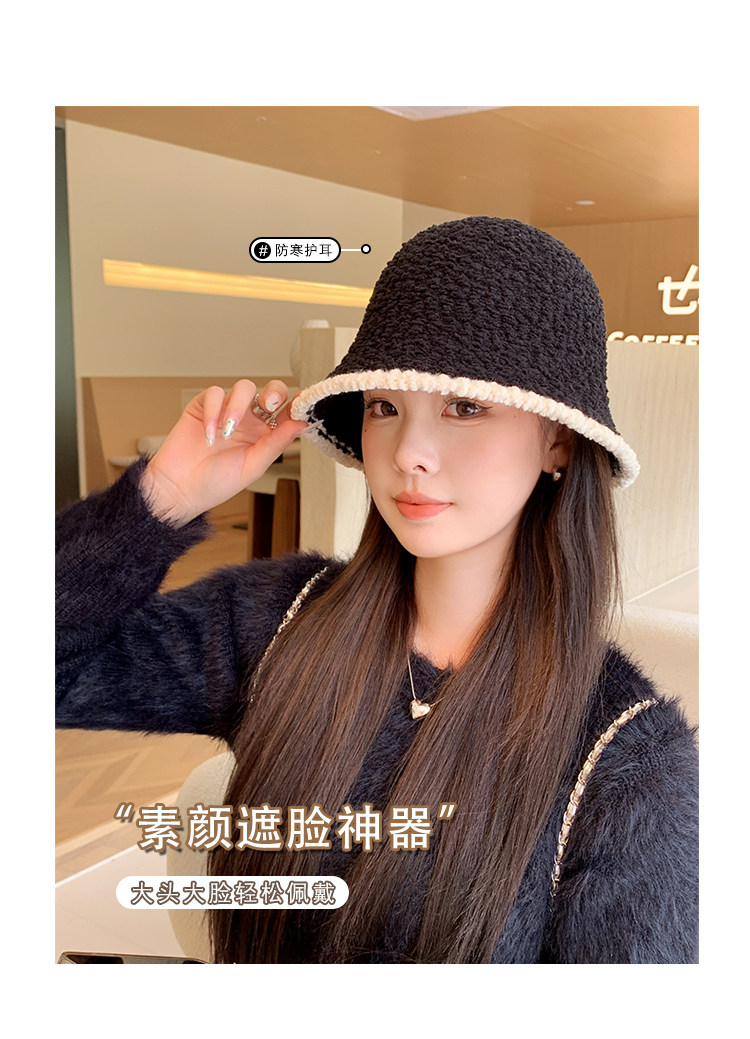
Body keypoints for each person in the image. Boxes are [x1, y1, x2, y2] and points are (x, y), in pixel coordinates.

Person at [56, 216, 698, 964]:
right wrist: (159, 500)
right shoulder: (281, 621)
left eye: (464, 406)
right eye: (384, 407)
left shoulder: (629, 764)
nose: (409, 453)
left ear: (558, 440)